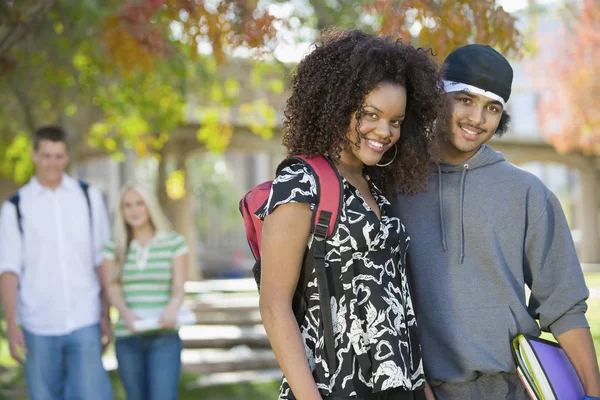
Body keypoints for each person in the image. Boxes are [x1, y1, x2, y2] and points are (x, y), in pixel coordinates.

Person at [393, 44, 600, 399]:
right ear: (440, 98)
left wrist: (593, 395)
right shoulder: (395, 184)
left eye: (492, 108)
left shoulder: (527, 193)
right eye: (465, 100)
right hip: (417, 390)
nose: (477, 118)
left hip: (509, 390)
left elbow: (565, 308)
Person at [257, 28, 442, 399]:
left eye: (396, 121)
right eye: (370, 114)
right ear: (340, 106)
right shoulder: (302, 182)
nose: (384, 131)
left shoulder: (376, 187)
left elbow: (398, 306)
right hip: (333, 388)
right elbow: (274, 306)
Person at [0, 125, 113, 400]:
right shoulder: (15, 207)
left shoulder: (89, 197)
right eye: (47, 155)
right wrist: (12, 325)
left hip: (85, 316)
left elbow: (102, 260)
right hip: (38, 323)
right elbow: (9, 271)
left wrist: (105, 311)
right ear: (34, 155)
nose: (53, 163)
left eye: (59, 156)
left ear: (67, 157)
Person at [101, 182, 188, 400]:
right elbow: (112, 287)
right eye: (127, 205)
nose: (134, 210)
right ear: (121, 211)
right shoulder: (114, 246)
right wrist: (126, 315)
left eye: (140, 203)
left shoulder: (174, 242)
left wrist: (172, 308)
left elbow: (178, 288)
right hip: (127, 337)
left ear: (150, 206)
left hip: (164, 337)